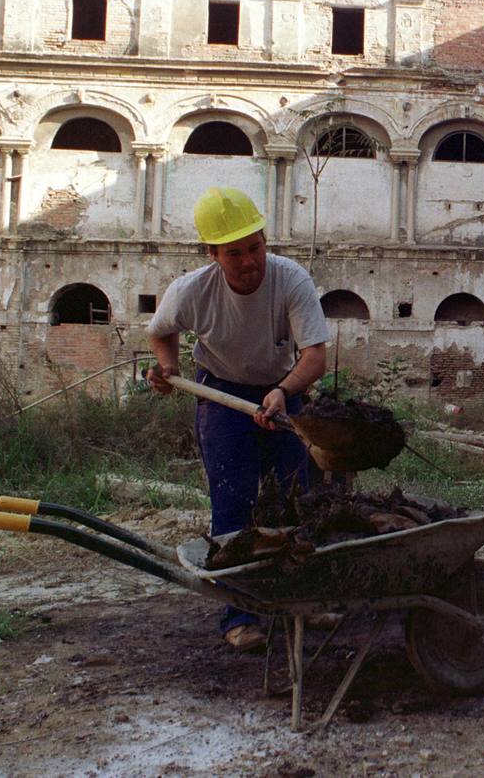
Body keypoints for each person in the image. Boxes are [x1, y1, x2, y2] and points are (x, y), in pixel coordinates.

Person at [146, 187, 330, 652]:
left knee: (298, 501)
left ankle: (303, 601)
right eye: (235, 253)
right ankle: (240, 615)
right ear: (212, 254)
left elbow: (314, 357)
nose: (250, 261)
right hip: (221, 394)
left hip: (282, 391)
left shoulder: (290, 280)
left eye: (255, 247)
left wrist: (284, 391)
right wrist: (168, 370)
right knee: (234, 504)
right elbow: (161, 332)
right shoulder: (191, 291)